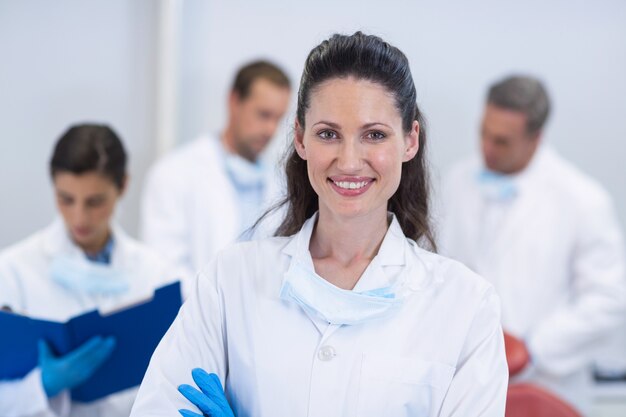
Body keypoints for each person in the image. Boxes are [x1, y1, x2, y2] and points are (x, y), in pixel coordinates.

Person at [130, 32, 508, 417]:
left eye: (374, 135)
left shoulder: (466, 306)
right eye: (328, 134)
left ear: (410, 140)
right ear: (300, 138)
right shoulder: (230, 281)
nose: (348, 161)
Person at [437, 75, 626, 413]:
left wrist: (533, 349)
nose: (487, 149)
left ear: (536, 138)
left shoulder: (583, 200)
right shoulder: (457, 180)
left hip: (547, 386)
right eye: (484, 133)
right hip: (464, 378)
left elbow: (609, 300)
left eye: (502, 141)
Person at [0, 124, 177, 417]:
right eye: (66, 199)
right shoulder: (12, 271)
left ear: (122, 186)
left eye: (95, 202)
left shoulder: (157, 273)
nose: (79, 217)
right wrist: (41, 387)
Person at [140, 60, 291, 281]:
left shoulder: (283, 184)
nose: (271, 129)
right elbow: (163, 271)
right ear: (234, 101)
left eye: (278, 119)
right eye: (263, 115)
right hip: (197, 312)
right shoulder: (173, 173)